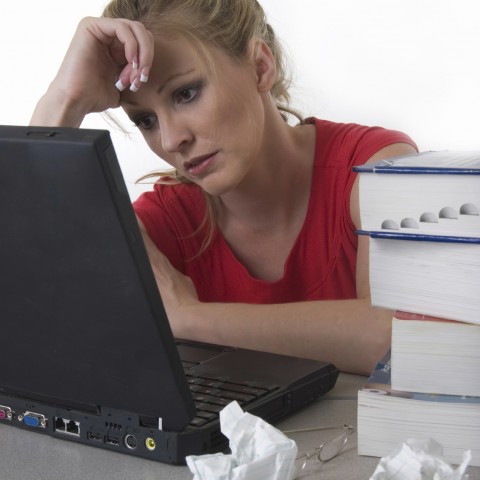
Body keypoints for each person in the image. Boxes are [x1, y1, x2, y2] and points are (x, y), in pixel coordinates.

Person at [30, 0, 417, 375]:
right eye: (146, 120)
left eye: (186, 93)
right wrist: (63, 101)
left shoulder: (378, 167)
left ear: (260, 66)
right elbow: (32, 299)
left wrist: (188, 318)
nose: (170, 140)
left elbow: (402, 340)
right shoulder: (171, 217)